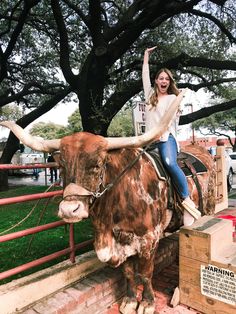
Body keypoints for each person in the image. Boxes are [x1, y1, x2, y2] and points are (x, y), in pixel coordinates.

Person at [142, 46, 201, 226]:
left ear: (169, 82)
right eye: (161, 78)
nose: (164, 81)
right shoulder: (150, 95)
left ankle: (186, 201)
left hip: (166, 139)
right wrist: (145, 57)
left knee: (169, 162)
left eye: (167, 79)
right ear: (156, 80)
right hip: (148, 140)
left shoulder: (173, 98)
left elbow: (172, 120)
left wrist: (177, 109)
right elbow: (144, 76)